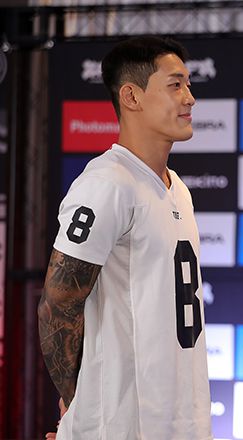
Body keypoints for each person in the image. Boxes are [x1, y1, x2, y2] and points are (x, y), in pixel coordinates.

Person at [37, 36, 212, 439]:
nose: (189, 98)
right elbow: (57, 305)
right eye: (175, 85)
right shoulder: (107, 183)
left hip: (183, 420)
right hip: (121, 426)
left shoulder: (178, 189)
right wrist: (80, 400)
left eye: (188, 85)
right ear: (131, 96)